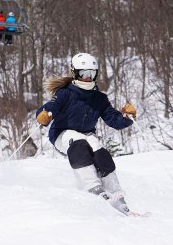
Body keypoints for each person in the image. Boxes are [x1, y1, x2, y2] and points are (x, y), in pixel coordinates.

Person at [36, 53, 137, 216]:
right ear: (75, 74)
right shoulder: (65, 93)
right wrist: (44, 114)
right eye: (84, 74)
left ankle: (116, 194)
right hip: (63, 134)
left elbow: (113, 120)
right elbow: (50, 107)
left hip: (87, 134)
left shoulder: (99, 98)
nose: (88, 78)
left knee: (98, 149)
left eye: (91, 74)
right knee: (78, 142)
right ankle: (92, 187)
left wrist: (126, 118)